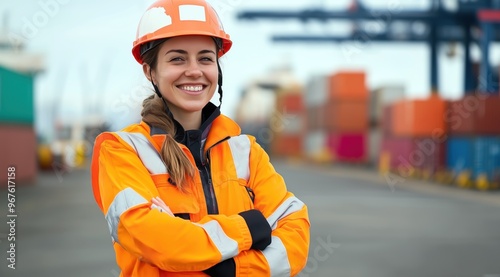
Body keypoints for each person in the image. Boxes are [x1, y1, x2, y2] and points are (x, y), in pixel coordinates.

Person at [90, 0, 310, 276]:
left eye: (205, 58)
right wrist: (250, 228)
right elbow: (154, 239)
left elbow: (295, 234)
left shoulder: (247, 151)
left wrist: (232, 269)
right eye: (177, 58)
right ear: (150, 72)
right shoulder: (122, 150)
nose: (194, 70)